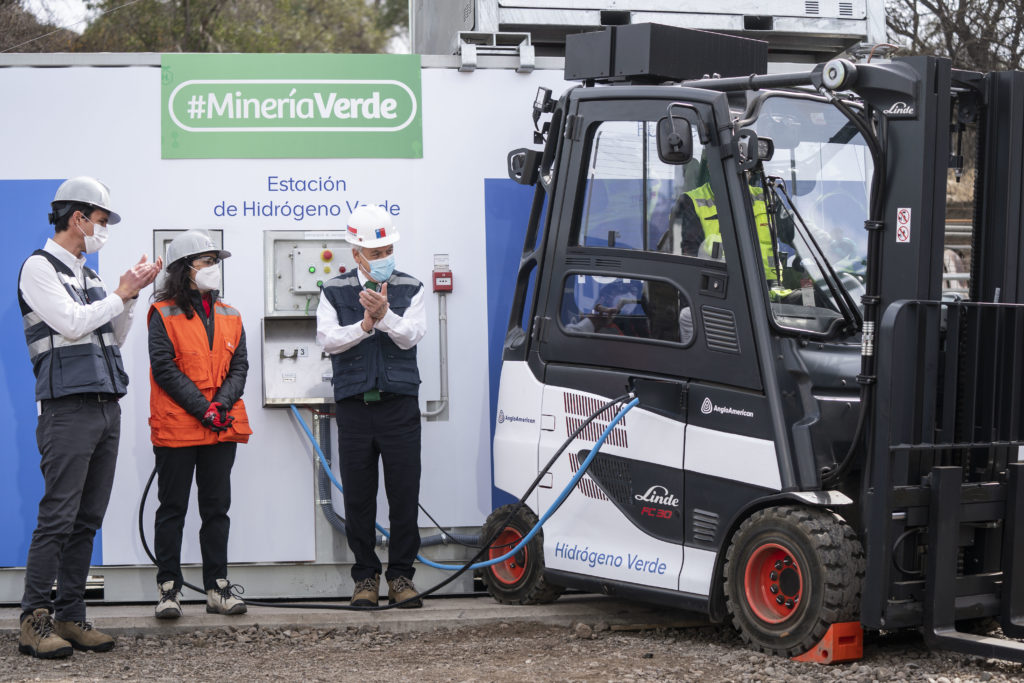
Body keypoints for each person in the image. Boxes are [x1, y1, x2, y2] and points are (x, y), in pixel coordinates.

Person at [16, 177, 162, 659]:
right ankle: (33, 621)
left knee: (86, 519)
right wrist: (119, 292)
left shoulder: (91, 276)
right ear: (77, 218)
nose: (103, 230)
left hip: (104, 407)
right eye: (101, 221)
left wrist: (132, 293)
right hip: (66, 410)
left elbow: (113, 336)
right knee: (58, 516)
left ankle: (71, 617)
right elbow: (73, 323)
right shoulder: (38, 269)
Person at [316, 205, 427, 609]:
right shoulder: (333, 291)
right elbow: (327, 341)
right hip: (355, 407)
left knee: (403, 493)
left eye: (386, 249)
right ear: (355, 253)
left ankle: (401, 577)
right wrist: (364, 324)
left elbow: (411, 336)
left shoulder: (411, 287)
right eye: (374, 251)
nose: (382, 257)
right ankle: (365, 578)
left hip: (399, 407)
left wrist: (384, 316)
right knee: (359, 498)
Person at [148, 230, 251, 620]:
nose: (213, 268)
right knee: (172, 508)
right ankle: (169, 590)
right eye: (207, 261)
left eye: (215, 261)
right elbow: (165, 367)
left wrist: (220, 404)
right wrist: (202, 408)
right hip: (178, 428)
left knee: (216, 508)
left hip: (220, 427)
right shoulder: (162, 314)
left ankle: (216, 589)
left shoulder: (231, 314)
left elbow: (239, 366)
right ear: (185, 268)